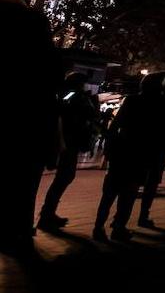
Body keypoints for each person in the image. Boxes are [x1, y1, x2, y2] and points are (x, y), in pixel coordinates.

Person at [0, 0, 60, 256]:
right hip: (19, 126)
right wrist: (51, 136)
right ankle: (16, 236)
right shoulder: (29, 21)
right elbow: (44, 81)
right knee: (19, 192)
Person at [94, 71, 165, 241]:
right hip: (140, 154)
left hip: (122, 151)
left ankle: (99, 227)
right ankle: (118, 227)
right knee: (128, 194)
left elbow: (115, 125)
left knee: (109, 194)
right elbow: (163, 133)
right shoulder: (161, 105)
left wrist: (109, 149)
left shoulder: (132, 100)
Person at [38, 71, 101, 231]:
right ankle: (47, 214)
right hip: (68, 141)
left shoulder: (68, 95)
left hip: (68, 140)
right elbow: (86, 113)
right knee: (64, 176)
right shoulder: (75, 96)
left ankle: (48, 213)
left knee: (64, 177)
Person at [136, 72, 165, 229]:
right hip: (158, 146)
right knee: (151, 183)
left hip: (136, 145)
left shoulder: (136, 99)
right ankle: (143, 214)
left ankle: (118, 220)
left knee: (131, 182)